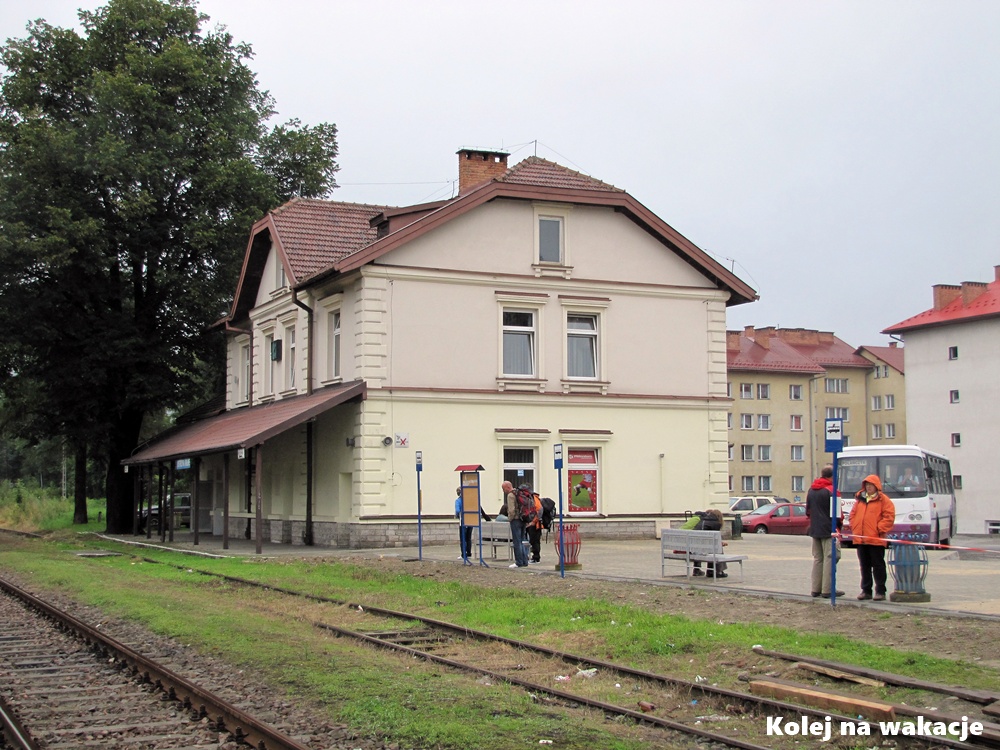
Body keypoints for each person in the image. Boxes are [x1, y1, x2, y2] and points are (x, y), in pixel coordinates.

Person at [848, 475, 896, 601]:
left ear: (876, 486)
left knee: (878, 566)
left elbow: (889, 516)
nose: (868, 487)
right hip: (861, 538)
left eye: (871, 485)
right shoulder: (860, 500)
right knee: (864, 566)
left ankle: (880, 591)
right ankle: (866, 590)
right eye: (867, 485)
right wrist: (855, 527)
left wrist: (879, 528)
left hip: (876, 539)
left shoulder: (884, 500)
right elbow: (852, 515)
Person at [805, 466, 843, 599]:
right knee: (830, 558)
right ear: (832, 477)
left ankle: (815, 589)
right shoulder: (832, 490)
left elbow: (808, 511)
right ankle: (828, 589)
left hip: (815, 528)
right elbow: (838, 514)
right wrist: (839, 527)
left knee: (818, 559)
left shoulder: (811, 490)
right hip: (829, 529)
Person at [680, 508, 727, 578]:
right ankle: (715, 571)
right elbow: (715, 539)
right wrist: (720, 543)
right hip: (702, 550)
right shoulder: (717, 523)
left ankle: (699, 570)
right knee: (717, 549)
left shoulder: (701, 520)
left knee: (707, 547)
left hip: (692, 549)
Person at [502, 480, 529, 568]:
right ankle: (525, 561)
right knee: (522, 541)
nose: (503, 491)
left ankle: (519, 562)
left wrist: (510, 519)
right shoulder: (519, 493)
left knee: (517, 542)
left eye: (503, 488)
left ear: (507, 487)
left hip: (516, 520)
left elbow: (511, 510)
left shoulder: (510, 495)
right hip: (523, 519)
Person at [524, 493, 543, 564]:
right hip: (531, 523)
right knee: (533, 541)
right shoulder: (531, 499)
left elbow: (539, 510)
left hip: (535, 524)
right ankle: (534, 557)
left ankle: (536, 557)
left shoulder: (534, 499)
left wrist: (533, 521)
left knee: (535, 541)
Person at [455, 487, 473, 559]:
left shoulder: (458, 501)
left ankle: (463, 554)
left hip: (463, 521)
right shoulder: (469, 500)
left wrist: (457, 515)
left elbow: (457, 510)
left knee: (463, 538)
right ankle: (469, 553)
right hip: (470, 520)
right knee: (468, 538)